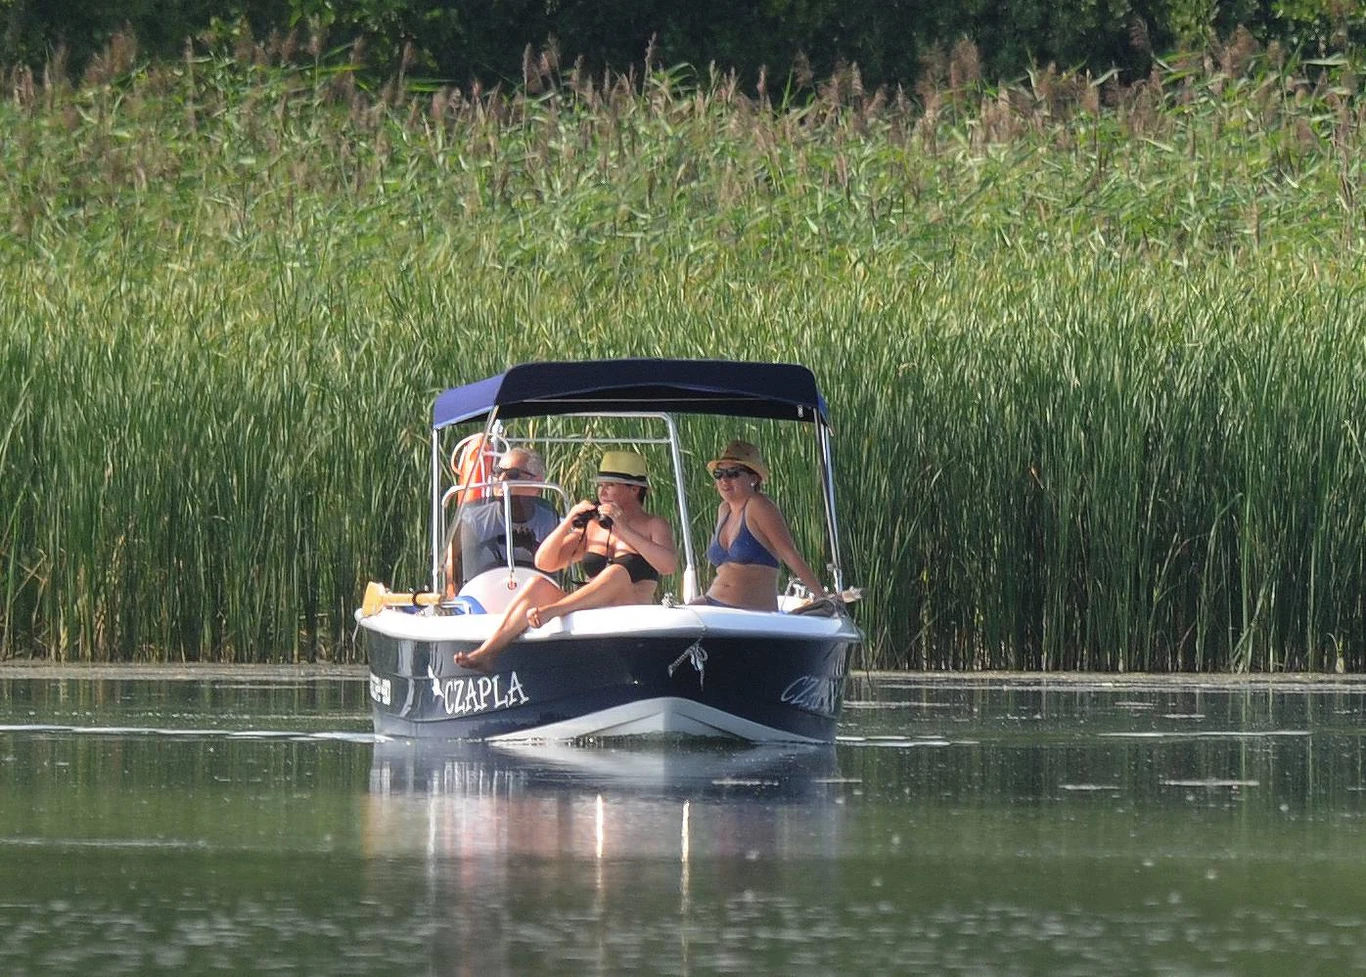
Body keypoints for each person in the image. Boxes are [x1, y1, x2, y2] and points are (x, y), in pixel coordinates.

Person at [453, 450, 677, 670]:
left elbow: (668, 566)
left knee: (617, 573)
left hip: (630, 609)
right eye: (600, 485)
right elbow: (544, 562)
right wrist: (568, 521)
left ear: (634, 489)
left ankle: (553, 611)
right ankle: (487, 651)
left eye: (610, 485)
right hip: (592, 610)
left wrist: (624, 529)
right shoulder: (593, 527)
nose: (602, 491)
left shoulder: (653, 525)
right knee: (536, 584)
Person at [695, 439, 828, 611]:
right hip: (713, 603)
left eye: (733, 473)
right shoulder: (724, 510)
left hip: (750, 612)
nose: (724, 480)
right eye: (719, 474)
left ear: (753, 478)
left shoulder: (758, 506)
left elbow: (789, 554)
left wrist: (823, 597)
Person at [445, 446, 560, 595]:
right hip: (485, 596)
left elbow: (558, 567)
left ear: (536, 482)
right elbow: (454, 572)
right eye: (497, 472)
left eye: (512, 474)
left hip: (537, 597)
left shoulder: (549, 520)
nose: (501, 480)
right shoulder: (473, 520)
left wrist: (532, 548)